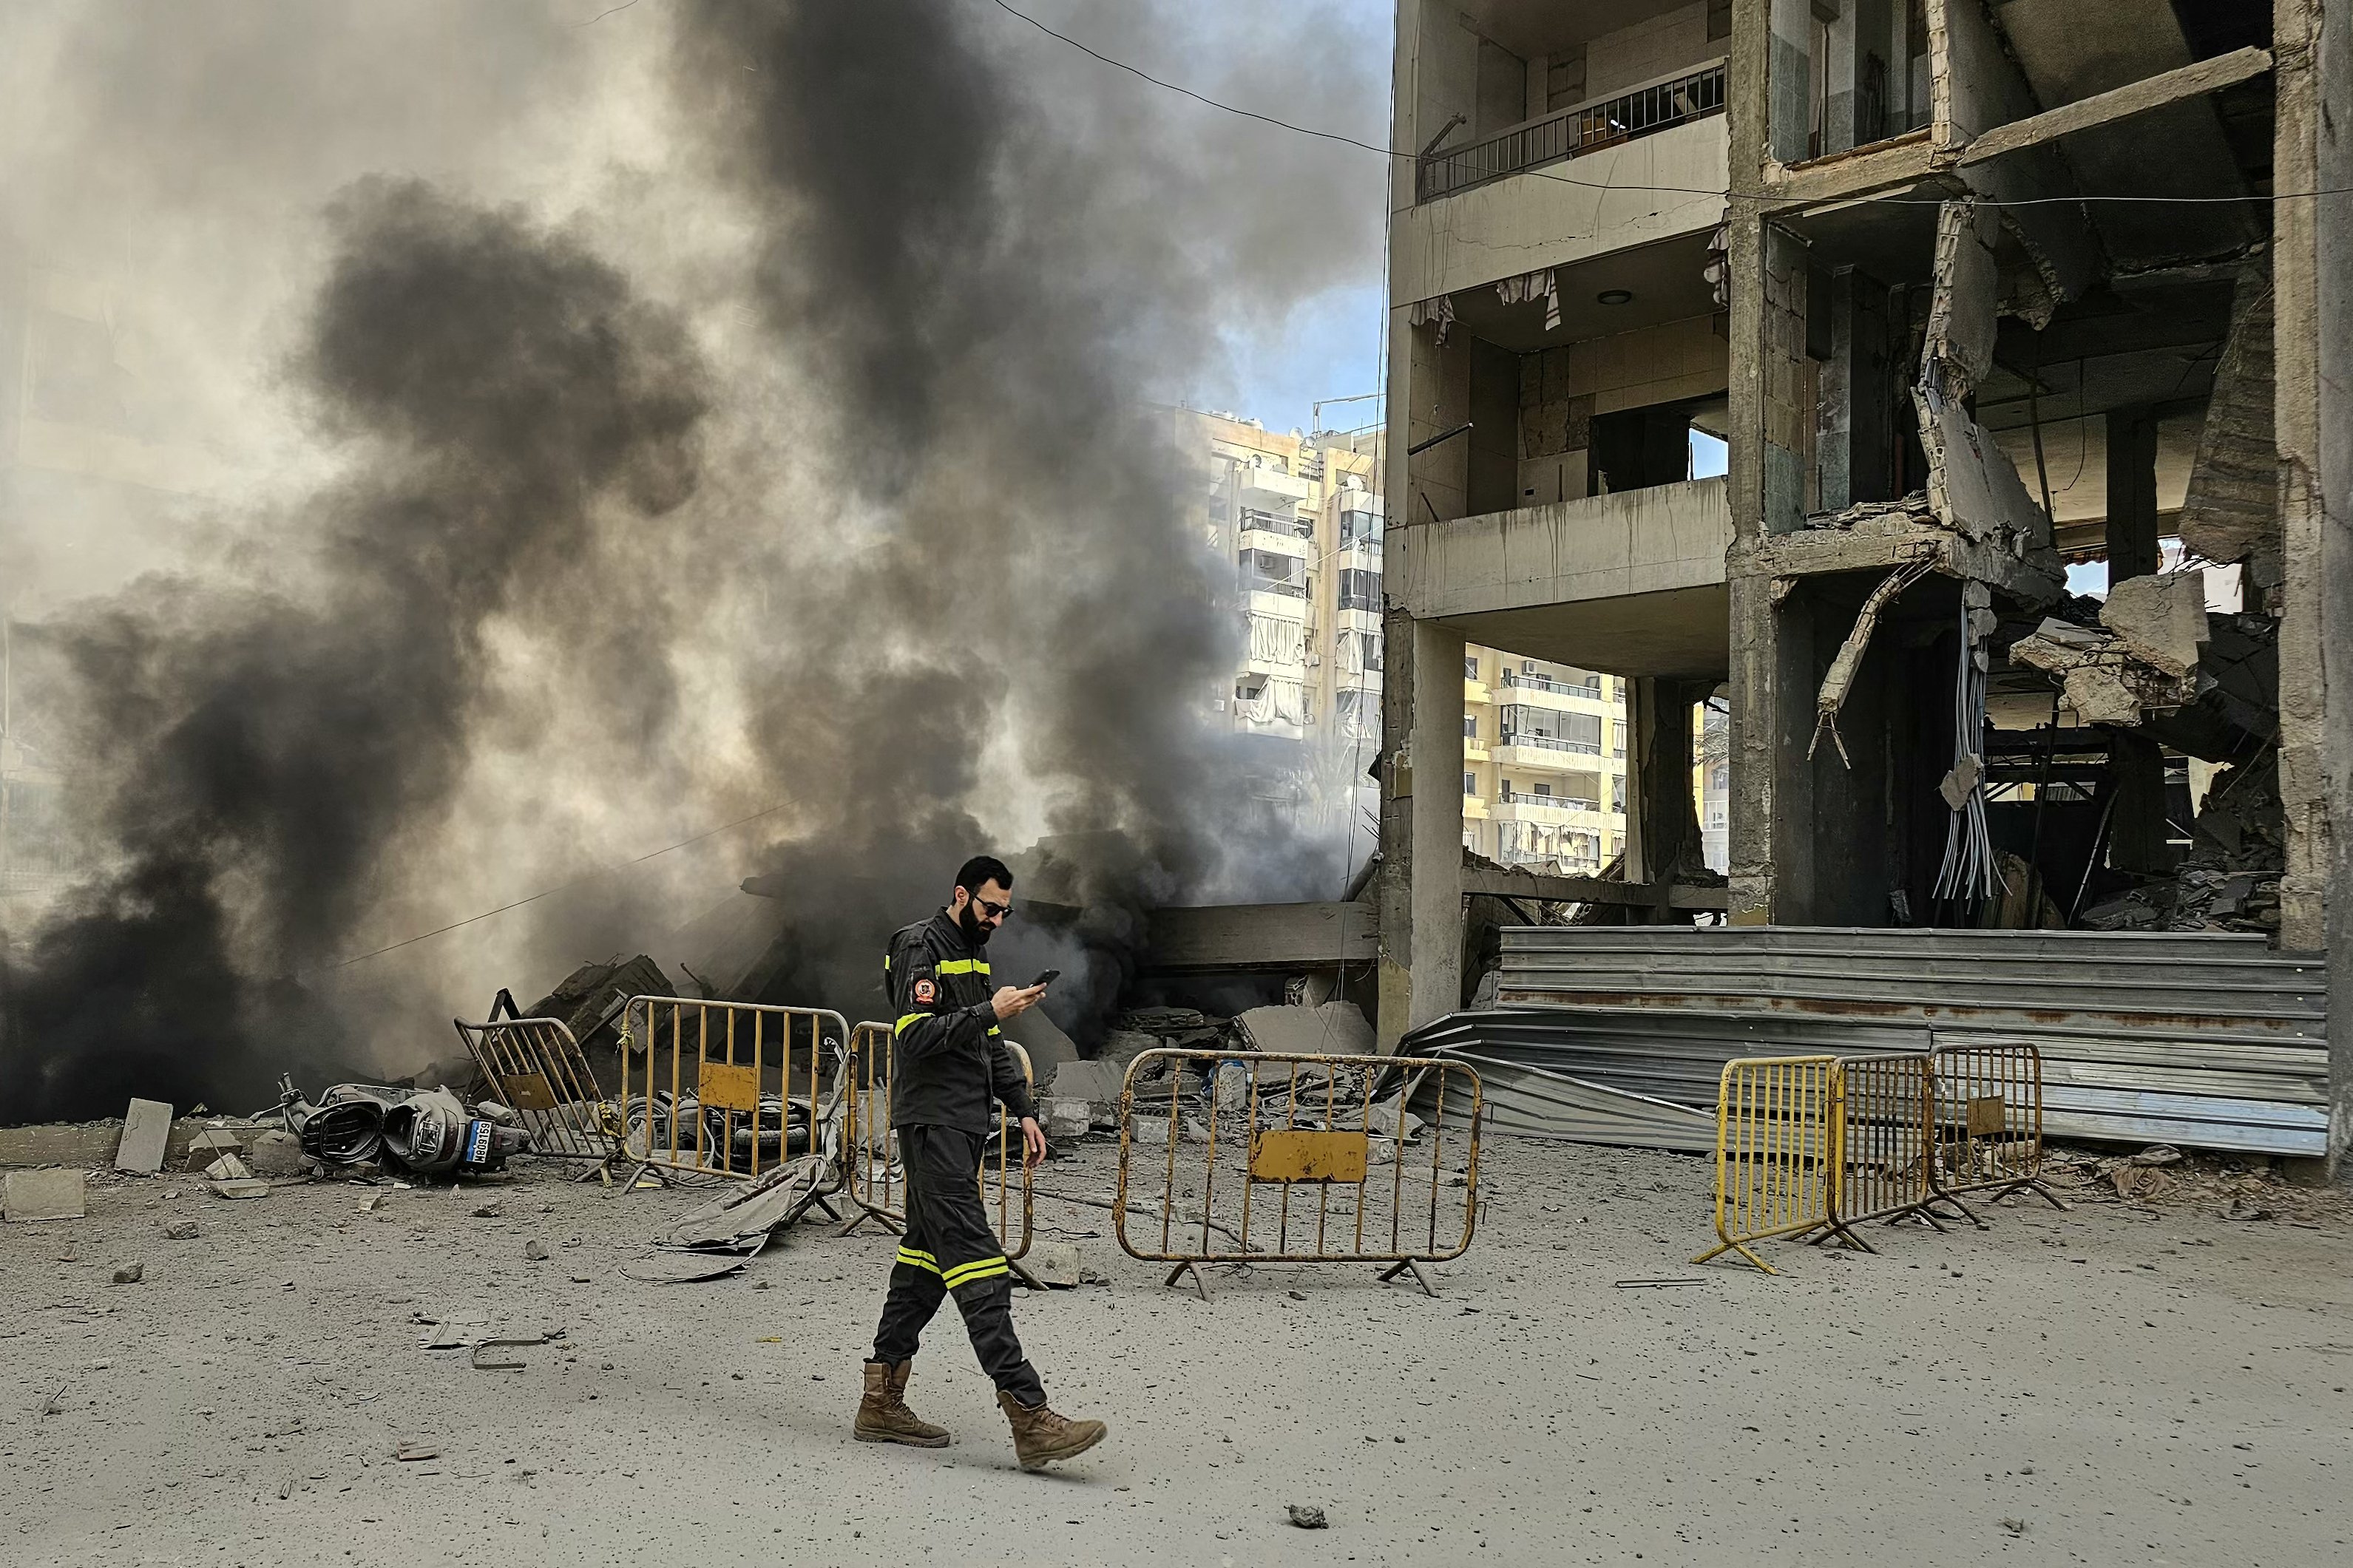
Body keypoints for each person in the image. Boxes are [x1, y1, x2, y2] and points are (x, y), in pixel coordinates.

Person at [853, 854, 1108, 1470]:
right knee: (979, 1262)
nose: (997, 920)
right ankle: (1030, 1413)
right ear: (962, 894)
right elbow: (914, 1034)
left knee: (923, 1263)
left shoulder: (972, 952)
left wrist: (1022, 1108)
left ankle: (880, 1400)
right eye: (991, 908)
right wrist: (991, 1010)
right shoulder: (921, 945)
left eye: (1005, 912)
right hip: (933, 1122)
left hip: (962, 1123)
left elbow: (988, 1041)